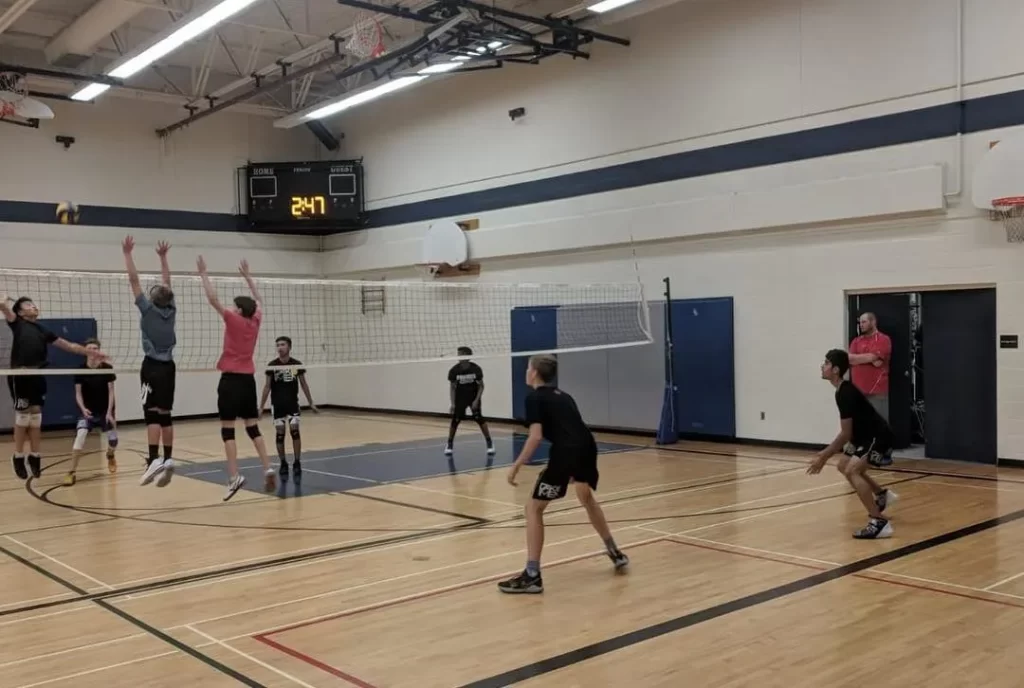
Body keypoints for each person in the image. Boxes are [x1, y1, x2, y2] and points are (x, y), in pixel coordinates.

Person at [499, 354, 628, 594]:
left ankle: (532, 575)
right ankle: (614, 551)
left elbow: (536, 436)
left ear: (534, 373)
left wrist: (516, 464)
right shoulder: (563, 396)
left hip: (567, 453)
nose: (526, 372)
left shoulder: (534, 398)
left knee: (533, 508)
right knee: (586, 497)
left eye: (528, 368)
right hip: (587, 447)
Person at [1, 295, 108, 480]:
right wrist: (6, 300)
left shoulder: (43, 330)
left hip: (37, 376)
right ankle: (18, 456)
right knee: (23, 415)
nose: (33, 306)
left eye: (34, 303)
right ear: (20, 312)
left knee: (35, 417)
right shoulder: (17, 323)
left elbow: (69, 346)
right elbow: (3, 306)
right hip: (21, 375)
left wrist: (89, 351)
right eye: (28, 304)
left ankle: (35, 456)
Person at [197, 256, 275, 501]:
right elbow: (260, 302)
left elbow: (213, 300)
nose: (231, 308)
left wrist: (203, 274)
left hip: (230, 381)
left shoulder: (233, 320)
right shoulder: (255, 321)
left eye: (234, 306)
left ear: (239, 310)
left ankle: (234, 477)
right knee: (252, 427)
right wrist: (248, 277)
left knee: (227, 431)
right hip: (248, 381)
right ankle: (267, 467)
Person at [807, 349, 899, 540]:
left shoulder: (846, 393)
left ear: (836, 369)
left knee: (853, 471)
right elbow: (850, 433)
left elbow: (845, 434)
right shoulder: (841, 391)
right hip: (861, 437)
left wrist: (824, 456)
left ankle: (878, 522)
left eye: (826, 363)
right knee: (843, 465)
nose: (822, 366)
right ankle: (881, 495)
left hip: (877, 436)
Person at [123, 236, 178, 488]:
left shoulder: (148, 309)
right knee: (166, 414)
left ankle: (154, 459)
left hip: (152, 367)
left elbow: (134, 281)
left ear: (153, 298)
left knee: (151, 414)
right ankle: (168, 458)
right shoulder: (172, 309)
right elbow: (167, 282)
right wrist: (163, 258)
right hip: (169, 368)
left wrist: (127, 254)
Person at [259, 336, 318, 484]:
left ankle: (297, 462)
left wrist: (311, 403)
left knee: (294, 430)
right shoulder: (272, 366)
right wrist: (261, 407)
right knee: (280, 433)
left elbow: (304, 384)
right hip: (277, 405)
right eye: (278, 345)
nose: (280, 347)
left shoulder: (296, 364)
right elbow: (267, 387)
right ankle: (283, 463)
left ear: (289, 347)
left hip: (292, 404)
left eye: (283, 344)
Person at [65, 338, 118, 486]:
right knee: (80, 435)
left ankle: (110, 454)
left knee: (113, 440)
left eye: (96, 348)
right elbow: (78, 393)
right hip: (87, 411)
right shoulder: (80, 369)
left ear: (99, 351)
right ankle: (71, 472)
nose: (93, 351)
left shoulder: (107, 368)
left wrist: (109, 413)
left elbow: (111, 392)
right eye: (90, 348)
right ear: (85, 351)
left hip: (105, 410)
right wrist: (83, 409)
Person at [445, 346, 494, 456]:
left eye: (461, 354)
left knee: (479, 418)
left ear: (467, 356)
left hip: (473, 397)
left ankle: (489, 443)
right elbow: (452, 388)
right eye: (458, 354)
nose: (458, 357)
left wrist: (476, 400)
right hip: (460, 398)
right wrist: (452, 403)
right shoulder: (454, 371)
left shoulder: (476, 369)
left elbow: (481, 386)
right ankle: (449, 444)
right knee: (455, 420)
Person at [849, 312, 892, 422]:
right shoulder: (856, 341)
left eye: (864, 322)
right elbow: (850, 359)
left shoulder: (883, 339)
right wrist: (870, 357)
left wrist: (860, 358)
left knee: (879, 425)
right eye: (860, 322)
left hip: (876, 391)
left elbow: (877, 362)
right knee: (860, 426)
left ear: (873, 322)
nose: (861, 325)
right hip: (858, 391)